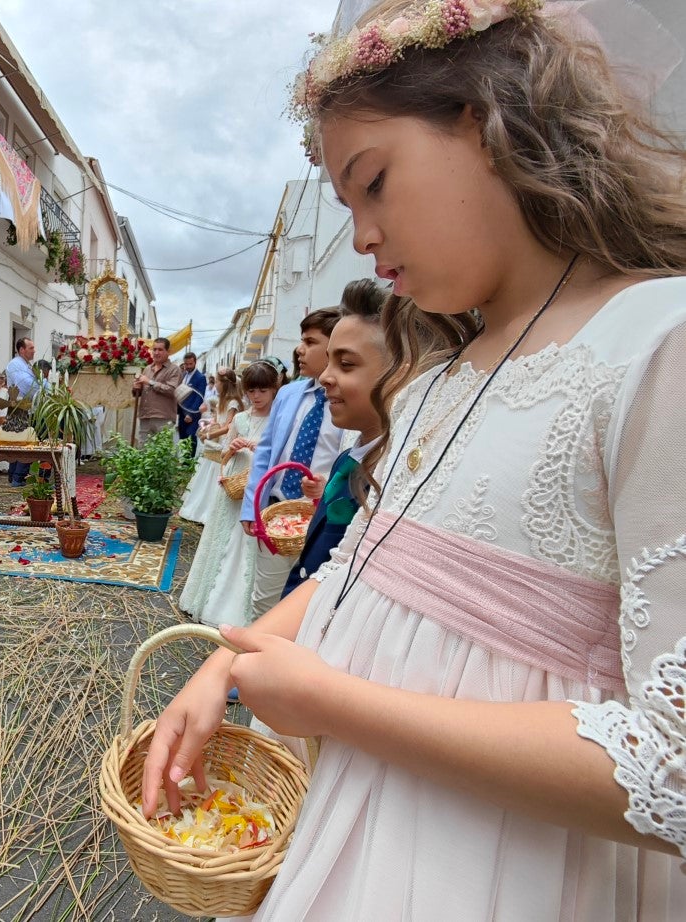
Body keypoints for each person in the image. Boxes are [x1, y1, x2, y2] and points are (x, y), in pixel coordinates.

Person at [143, 2, 686, 918]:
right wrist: (223, 666)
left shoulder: (654, 343)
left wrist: (337, 704)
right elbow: (368, 565)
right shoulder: (440, 376)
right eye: (345, 205)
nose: (360, 235)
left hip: (508, 869)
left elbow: (669, 766)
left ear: (485, 124)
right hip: (362, 824)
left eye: (375, 183)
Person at [283, 280, 389, 597]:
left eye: (345, 364)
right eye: (328, 361)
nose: (326, 377)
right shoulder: (349, 458)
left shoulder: (390, 479)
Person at [239, 308, 346, 618]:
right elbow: (266, 452)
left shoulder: (348, 401)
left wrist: (326, 488)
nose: (300, 350)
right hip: (277, 513)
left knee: (305, 608)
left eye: (310, 342)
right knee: (264, 600)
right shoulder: (288, 394)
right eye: (302, 340)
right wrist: (252, 506)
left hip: (319, 521)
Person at [179, 359, 283, 625]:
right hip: (234, 483)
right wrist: (233, 447)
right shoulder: (239, 418)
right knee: (223, 539)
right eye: (251, 391)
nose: (256, 397)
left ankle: (243, 610)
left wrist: (256, 446)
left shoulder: (280, 420)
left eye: (262, 391)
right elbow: (223, 453)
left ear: (274, 389)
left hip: (259, 488)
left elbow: (281, 457)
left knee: (248, 545)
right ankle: (210, 600)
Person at [179, 367, 244, 524]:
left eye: (217, 381)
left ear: (224, 384)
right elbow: (216, 419)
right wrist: (206, 426)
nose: (215, 385)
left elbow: (228, 426)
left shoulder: (233, 402)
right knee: (206, 473)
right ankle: (200, 507)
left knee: (214, 474)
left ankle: (208, 511)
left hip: (223, 443)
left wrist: (209, 435)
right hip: (215, 440)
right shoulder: (221, 399)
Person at [131, 336, 182, 444]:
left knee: (163, 455)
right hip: (145, 416)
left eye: (160, 349)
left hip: (163, 417)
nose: (156, 352)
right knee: (143, 452)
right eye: (154, 349)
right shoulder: (147, 369)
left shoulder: (174, 369)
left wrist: (149, 382)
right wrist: (137, 388)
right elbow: (140, 392)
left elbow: (172, 390)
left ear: (168, 352)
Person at [4, 337, 38, 486]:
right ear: (22, 350)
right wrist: (44, 387)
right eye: (31, 348)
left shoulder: (25, 364)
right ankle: (18, 477)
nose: (34, 350)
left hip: (25, 407)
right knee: (25, 443)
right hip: (20, 408)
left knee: (20, 442)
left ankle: (15, 476)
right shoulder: (16, 365)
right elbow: (28, 387)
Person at [177, 351, 208, 449]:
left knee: (190, 441)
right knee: (182, 439)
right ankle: (185, 463)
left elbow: (199, 397)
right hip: (182, 413)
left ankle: (190, 464)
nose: (188, 366)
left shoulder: (200, 377)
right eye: (186, 364)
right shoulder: (183, 375)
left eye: (190, 364)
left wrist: (190, 414)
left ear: (195, 362)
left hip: (192, 415)